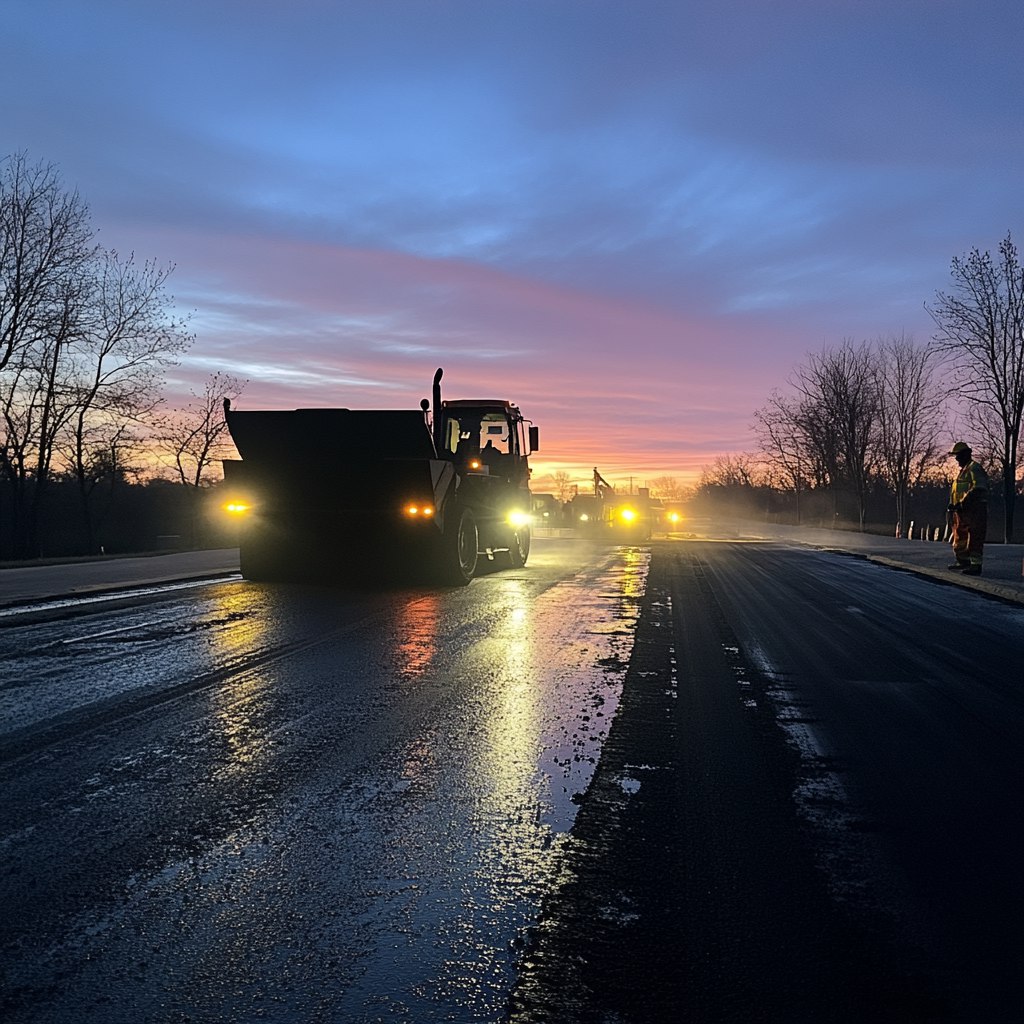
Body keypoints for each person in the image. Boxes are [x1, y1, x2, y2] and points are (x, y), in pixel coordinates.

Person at [946, 442, 989, 575]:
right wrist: (953, 504)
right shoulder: (963, 471)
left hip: (974, 510)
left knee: (974, 536)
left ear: (966, 455)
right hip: (961, 511)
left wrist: (964, 502)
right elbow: (957, 491)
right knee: (960, 536)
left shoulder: (974, 468)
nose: (956, 459)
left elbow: (979, 488)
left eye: (958, 456)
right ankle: (963, 561)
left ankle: (975, 565)